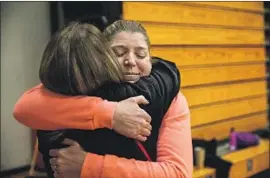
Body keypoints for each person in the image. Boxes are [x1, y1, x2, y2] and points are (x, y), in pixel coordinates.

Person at [13, 20, 192, 178]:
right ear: (101, 58)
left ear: (151, 59)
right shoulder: (82, 88)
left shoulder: (170, 97)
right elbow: (25, 107)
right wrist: (111, 113)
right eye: (119, 52)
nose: (130, 60)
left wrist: (88, 165)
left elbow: (178, 173)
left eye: (140, 54)